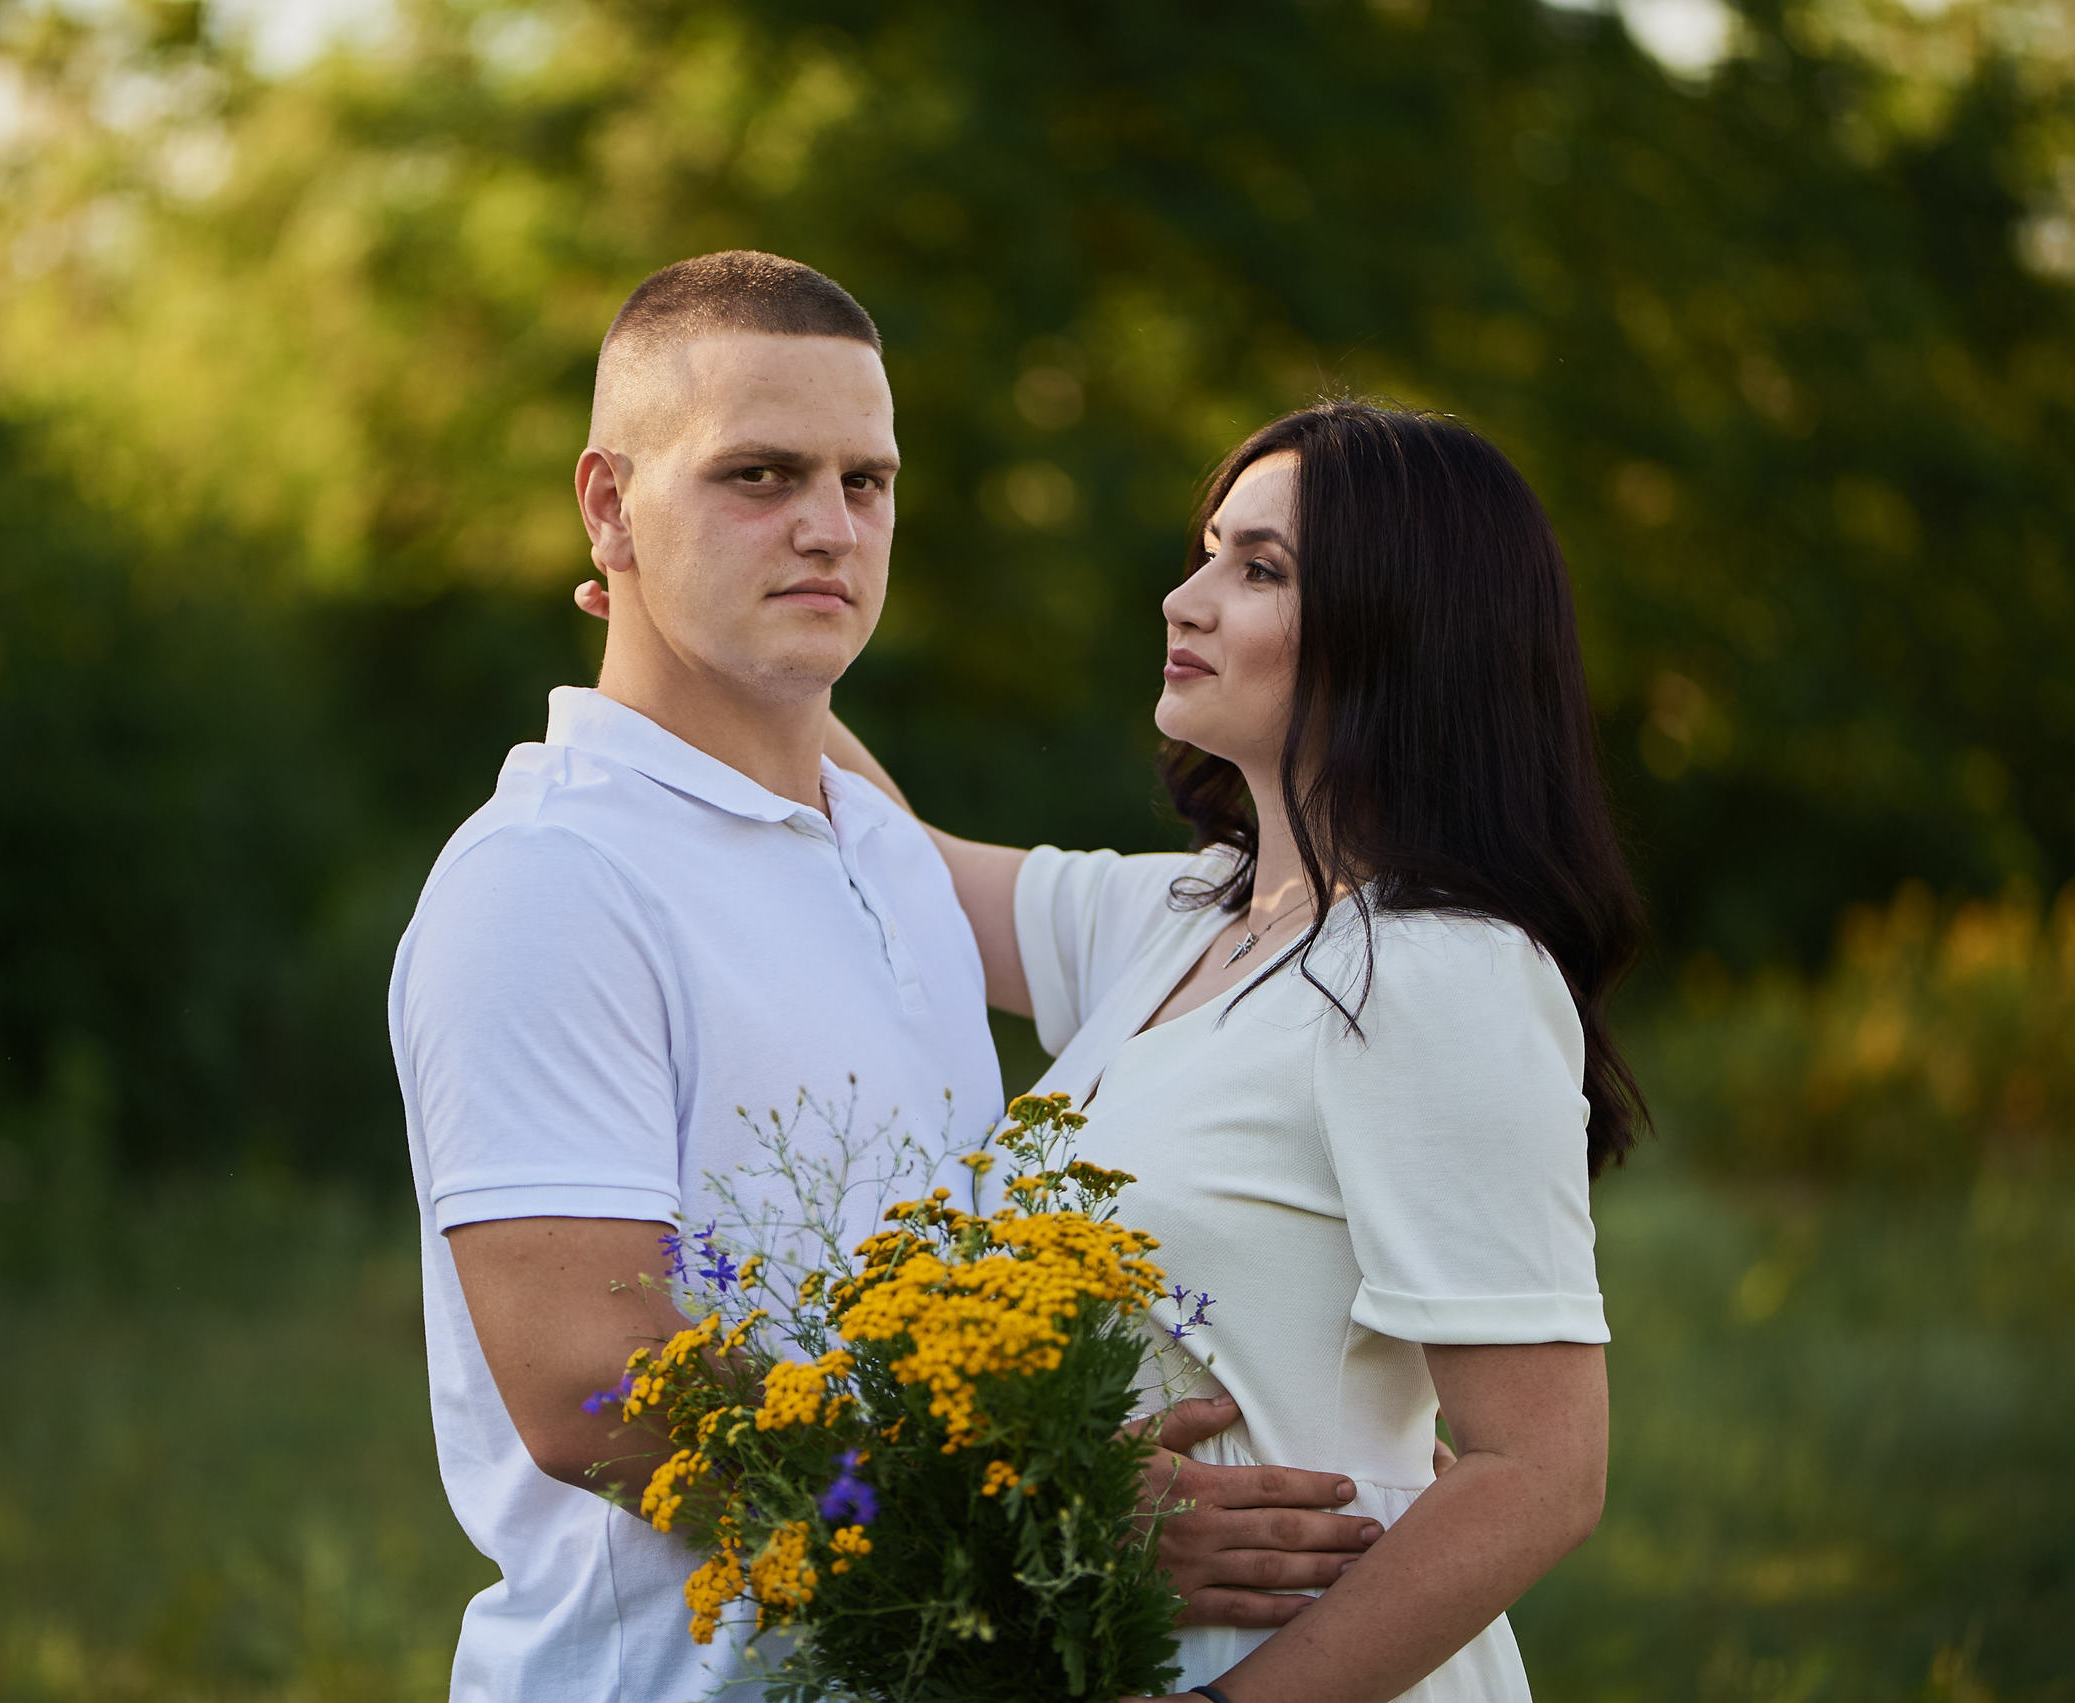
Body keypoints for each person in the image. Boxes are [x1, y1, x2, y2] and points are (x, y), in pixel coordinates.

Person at [393, 254, 1383, 1701]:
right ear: (608, 504)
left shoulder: (884, 853)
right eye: (757, 475)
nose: (827, 528)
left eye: (867, 482)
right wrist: (1041, 1523)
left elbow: (785, 763)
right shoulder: (549, 880)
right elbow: (591, 1393)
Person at [826, 400, 1643, 1702]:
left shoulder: (1440, 970)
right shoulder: (1185, 915)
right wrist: (695, 630)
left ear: (1404, 632)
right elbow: (883, 850)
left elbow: (1540, 1473)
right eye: (1208, 550)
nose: (1183, 598)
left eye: (1258, 570)